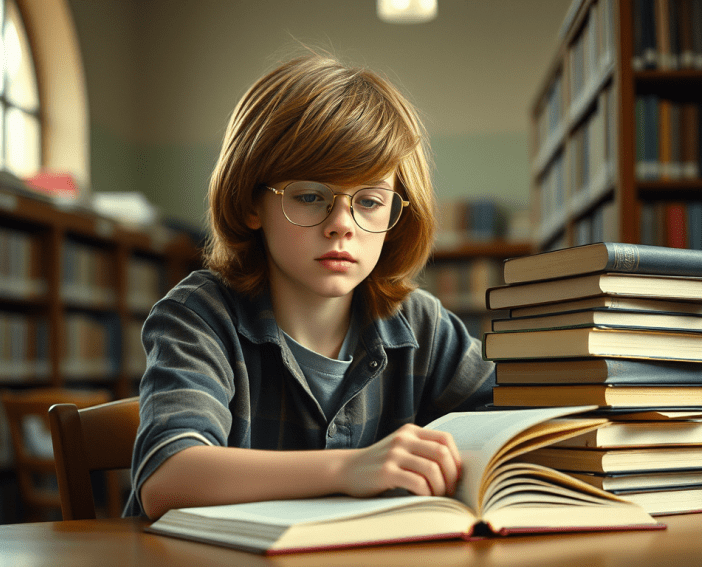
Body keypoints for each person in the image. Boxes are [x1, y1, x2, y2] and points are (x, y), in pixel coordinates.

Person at [126, 51, 495, 520]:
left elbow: (515, 424)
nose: (342, 224)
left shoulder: (423, 324)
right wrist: (349, 468)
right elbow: (166, 479)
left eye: (370, 200)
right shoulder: (200, 314)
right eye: (308, 196)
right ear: (249, 204)